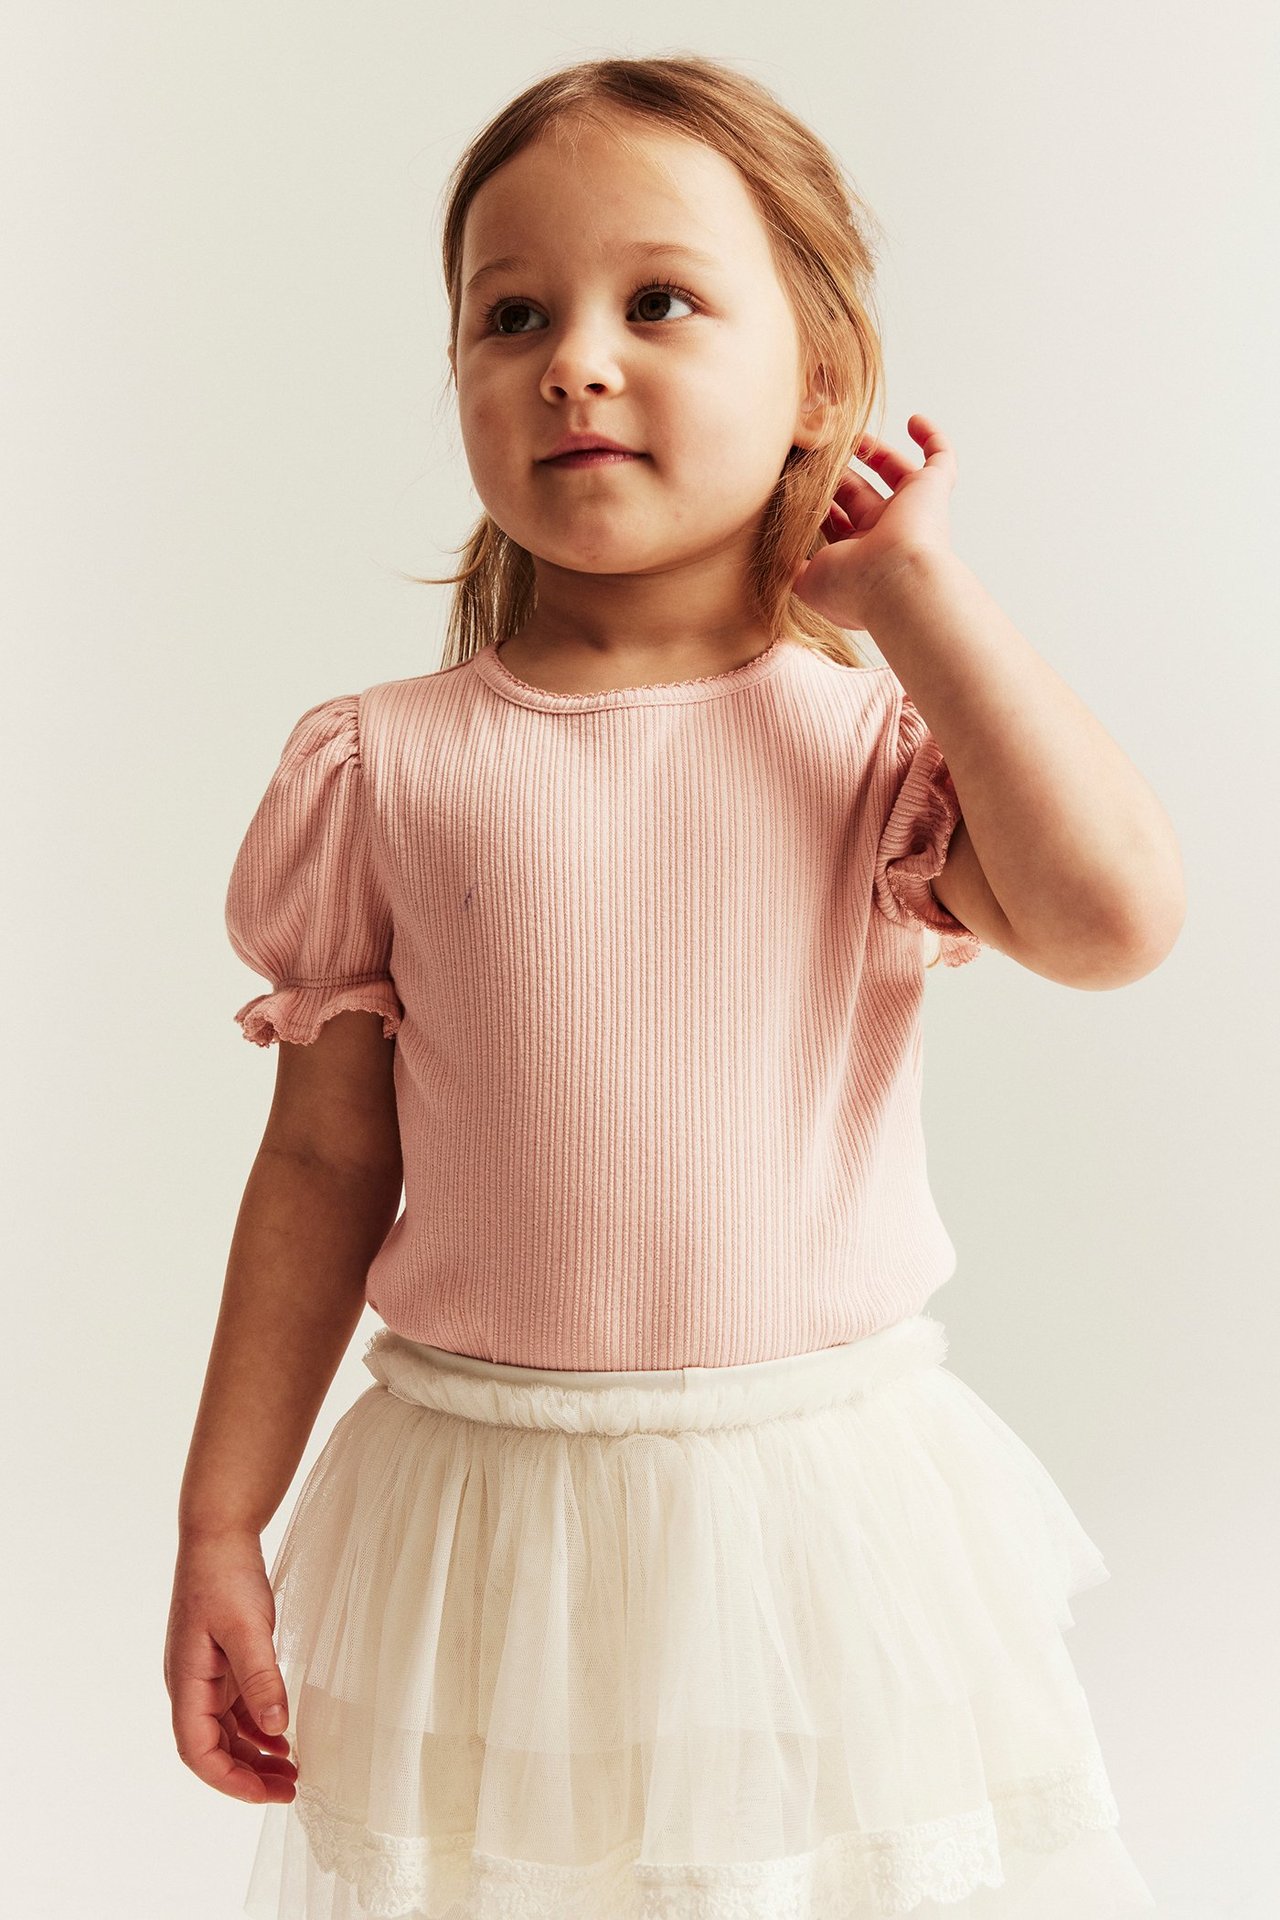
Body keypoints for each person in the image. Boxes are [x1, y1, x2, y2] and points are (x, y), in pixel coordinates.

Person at [165, 53, 1181, 1920]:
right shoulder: (383, 768)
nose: (575, 361)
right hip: (479, 1512)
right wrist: (222, 1516)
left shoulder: (867, 750)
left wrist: (920, 602)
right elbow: (321, 1164)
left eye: (658, 302)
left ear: (819, 383)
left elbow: (1115, 923)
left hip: (813, 1517)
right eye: (513, 316)